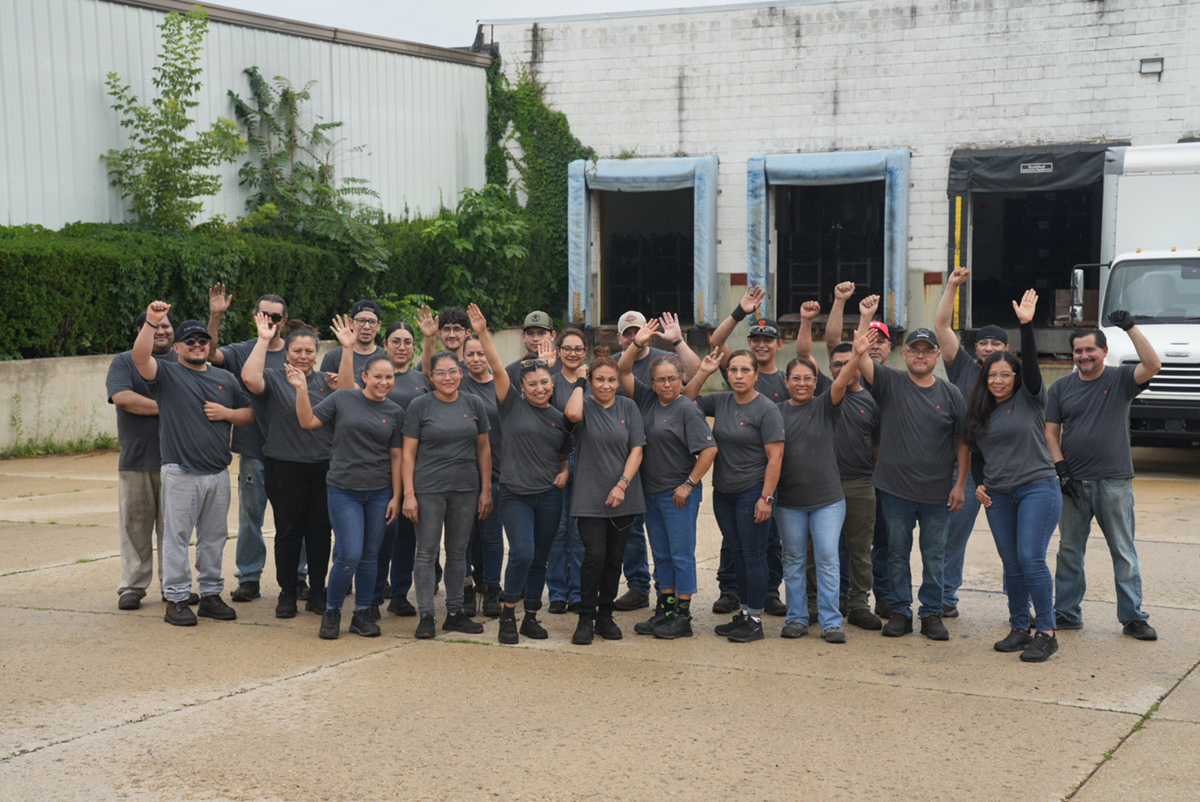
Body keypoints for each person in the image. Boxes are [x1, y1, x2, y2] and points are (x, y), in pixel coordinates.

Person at [132, 303, 254, 627]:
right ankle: (176, 599)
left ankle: (211, 595)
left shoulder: (225, 378)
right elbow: (141, 359)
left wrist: (226, 414)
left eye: (202, 340)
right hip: (181, 472)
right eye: (190, 341)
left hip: (217, 474)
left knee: (214, 538)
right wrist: (151, 322)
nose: (197, 345)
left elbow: (248, 413)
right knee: (177, 538)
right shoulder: (167, 374)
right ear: (177, 348)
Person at [1047, 312, 1162, 641]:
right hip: (1073, 483)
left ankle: (1133, 617)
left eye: (1090, 350)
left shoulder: (1121, 379)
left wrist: (1130, 328)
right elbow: (1051, 433)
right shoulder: (1061, 388)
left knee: (1123, 551)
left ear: (1104, 351)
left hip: (1114, 481)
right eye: (1078, 351)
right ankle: (1066, 612)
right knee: (1069, 551)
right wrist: (1061, 470)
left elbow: (1153, 365)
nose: (1084, 356)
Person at [966, 290, 1063, 662]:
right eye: (993, 375)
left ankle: (1047, 632)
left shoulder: (1030, 398)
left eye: (1006, 374)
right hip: (999, 496)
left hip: (1037, 487)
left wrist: (1026, 325)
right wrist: (980, 484)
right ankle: (1020, 627)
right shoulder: (981, 409)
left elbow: (1032, 365)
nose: (998, 380)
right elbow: (977, 453)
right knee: (1011, 564)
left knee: (1030, 558)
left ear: (1016, 377)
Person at [468, 304, 571, 643]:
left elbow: (563, 454)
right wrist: (482, 332)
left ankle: (530, 617)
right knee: (523, 552)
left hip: (549, 495)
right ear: (522, 387)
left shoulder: (559, 417)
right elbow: (498, 367)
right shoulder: (510, 405)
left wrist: (565, 470)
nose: (540, 388)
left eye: (545, 382)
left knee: (540, 558)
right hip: (515, 495)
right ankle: (508, 614)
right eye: (532, 384)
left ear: (552, 383)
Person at [242, 312, 355, 619]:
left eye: (309, 351)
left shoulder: (326, 382)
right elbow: (250, 379)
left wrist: (347, 348)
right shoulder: (275, 378)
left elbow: (349, 394)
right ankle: (288, 592)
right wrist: (264, 340)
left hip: (324, 468)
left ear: (316, 355)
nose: (303, 356)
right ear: (287, 353)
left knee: (320, 532)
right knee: (288, 532)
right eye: (297, 351)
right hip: (284, 467)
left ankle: (317, 592)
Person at [859, 327, 968, 641]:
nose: (921, 355)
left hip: (937, 494)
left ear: (937, 355)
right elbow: (862, 359)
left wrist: (960, 484)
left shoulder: (951, 394)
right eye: (915, 350)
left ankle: (932, 613)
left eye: (927, 350)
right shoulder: (890, 382)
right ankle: (900, 613)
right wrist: (864, 321)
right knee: (896, 553)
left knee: (934, 557)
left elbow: (963, 442)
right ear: (904, 354)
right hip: (895, 491)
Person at [618, 320, 717, 640]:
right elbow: (622, 371)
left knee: (681, 555)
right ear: (652, 382)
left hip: (678, 495)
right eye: (660, 379)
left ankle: (683, 616)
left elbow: (709, 450)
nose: (667, 384)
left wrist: (688, 484)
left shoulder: (687, 409)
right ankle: (666, 608)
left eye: (673, 378)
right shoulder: (647, 399)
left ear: (681, 379)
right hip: (651, 493)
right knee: (661, 555)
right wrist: (637, 342)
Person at [291, 353, 402, 639]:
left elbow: (396, 456)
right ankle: (332, 611)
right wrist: (301, 389)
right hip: (344, 490)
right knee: (349, 554)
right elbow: (307, 420)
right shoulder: (343, 398)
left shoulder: (395, 411)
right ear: (364, 377)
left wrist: (396, 496)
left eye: (389, 377)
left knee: (370, 556)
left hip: (380, 493)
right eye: (377, 376)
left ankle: (362, 614)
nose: (383, 382)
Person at [774, 330, 874, 644]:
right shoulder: (776, 413)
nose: (802, 383)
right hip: (789, 502)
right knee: (794, 561)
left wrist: (858, 354)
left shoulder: (826, 406)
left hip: (828, 501)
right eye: (796, 378)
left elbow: (842, 381)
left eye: (808, 378)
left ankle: (831, 623)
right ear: (786, 382)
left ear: (816, 382)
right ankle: (797, 617)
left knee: (828, 559)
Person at [684, 350, 786, 643]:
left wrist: (766, 498)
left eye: (745, 370)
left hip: (752, 492)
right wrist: (704, 371)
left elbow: (776, 457)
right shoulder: (722, 401)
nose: (738, 375)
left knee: (753, 556)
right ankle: (744, 613)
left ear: (756, 375)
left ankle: (755, 620)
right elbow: (686, 400)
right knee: (738, 554)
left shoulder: (767, 409)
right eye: (733, 370)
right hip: (724, 493)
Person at [704, 287, 788, 618]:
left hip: (769, 475)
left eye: (769, 339)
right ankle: (731, 591)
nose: (762, 344)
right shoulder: (736, 374)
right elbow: (716, 340)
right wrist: (740, 310)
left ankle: (767, 594)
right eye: (757, 339)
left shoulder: (786, 381)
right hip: (731, 482)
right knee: (735, 543)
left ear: (779, 344)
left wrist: (767, 495)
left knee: (768, 541)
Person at [205, 284, 290, 604]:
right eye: (264, 315)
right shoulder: (242, 351)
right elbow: (211, 354)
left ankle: (297, 577)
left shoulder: (298, 350)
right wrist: (215, 316)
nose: (270, 321)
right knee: (251, 518)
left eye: (275, 317)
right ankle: (250, 577)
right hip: (254, 449)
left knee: (294, 517)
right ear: (255, 316)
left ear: (284, 320)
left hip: (292, 450)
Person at [936, 267, 1011, 619]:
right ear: (976, 347)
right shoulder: (963, 368)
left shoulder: (1015, 377)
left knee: (1012, 543)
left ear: (1007, 349)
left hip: (1004, 469)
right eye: (983, 343)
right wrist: (952, 286)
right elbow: (942, 327)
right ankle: (945, 596)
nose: (989, 348)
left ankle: (1020, 603)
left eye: (996, 344)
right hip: (964, 469)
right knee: (952, 537)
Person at [402, 350, 493, 639]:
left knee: (457, 552)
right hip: (429, 489)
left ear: (461, 373)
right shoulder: (419, 406)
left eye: (453, 371)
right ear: (431, 376)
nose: (447, 378)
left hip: (465, 488)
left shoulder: (474, 403)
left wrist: (486, 489)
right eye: (440, 372)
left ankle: (455, 613)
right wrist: (409, 494)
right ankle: (426, 615)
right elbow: (408, 453)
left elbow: (483, 449)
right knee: (426, 552)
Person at [108, 310, 195, 610]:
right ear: (140, 331)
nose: (162, 331)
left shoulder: (185, 361)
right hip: (137, 460)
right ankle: (132, 587)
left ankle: (174, 587)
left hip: (179, 460)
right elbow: (123, 398)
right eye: (154, 326)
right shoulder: (124, 362)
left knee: (175, 530)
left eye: (166, 326)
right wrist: (171, 406)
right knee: (135, 528)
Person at [564, 356, 646, 645]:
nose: (606, 385)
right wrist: (579, 382)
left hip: (624, 496)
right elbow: (571, 415)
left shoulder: (628, 407)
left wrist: (622, 485)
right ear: (590, 380)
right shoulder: (583, 404)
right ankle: (586, 617)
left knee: (614, 558)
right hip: (589, 498)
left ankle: (605, 616)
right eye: (599, 379)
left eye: (612, 380)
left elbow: (637, 449)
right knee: (594, 555)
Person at [375, 322, 428, 619]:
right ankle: (373, 593)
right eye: (396, 341)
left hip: (413, 466)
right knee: (382, 532)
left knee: (407, 534)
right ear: (385, 344)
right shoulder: (375, 375)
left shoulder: (422, 379)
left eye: (408, 342)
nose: (402, 347)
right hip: (378, 464)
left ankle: (399, 593)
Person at [459, 332, 506, 617]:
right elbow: (429, 371)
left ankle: (491, 589)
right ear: (462, 358)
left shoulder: (500, 383)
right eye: (470, 354)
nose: (476, 359)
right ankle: (465, 589)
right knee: (463, 536)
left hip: (496, 472)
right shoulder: (457, 383)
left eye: (481, 353)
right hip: (462, 473)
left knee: (491, 535)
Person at [547, 328, 590, 615]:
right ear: (559, 351)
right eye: (567, 348)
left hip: (588, 461)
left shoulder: (593, 381)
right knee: (558, 530)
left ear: (585, 352)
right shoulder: (550, 381)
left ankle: (578, 592)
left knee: (579, 531)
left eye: (578, 349)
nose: (572, 353)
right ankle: (557, 593)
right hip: (557, 460)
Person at [319, 300, 387, 382]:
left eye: (372, 322)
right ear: (351, 323)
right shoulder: (333, 357)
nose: (367, 326)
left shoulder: (387, 357)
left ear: (379, 326)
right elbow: (323, 388)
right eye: (361, 321)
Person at [503, 310, 558, 387]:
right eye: (530, 333)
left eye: (541, 333)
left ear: (552, 336)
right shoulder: (512, 371)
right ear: (523, 336)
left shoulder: (564, 366)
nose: (535, 339)